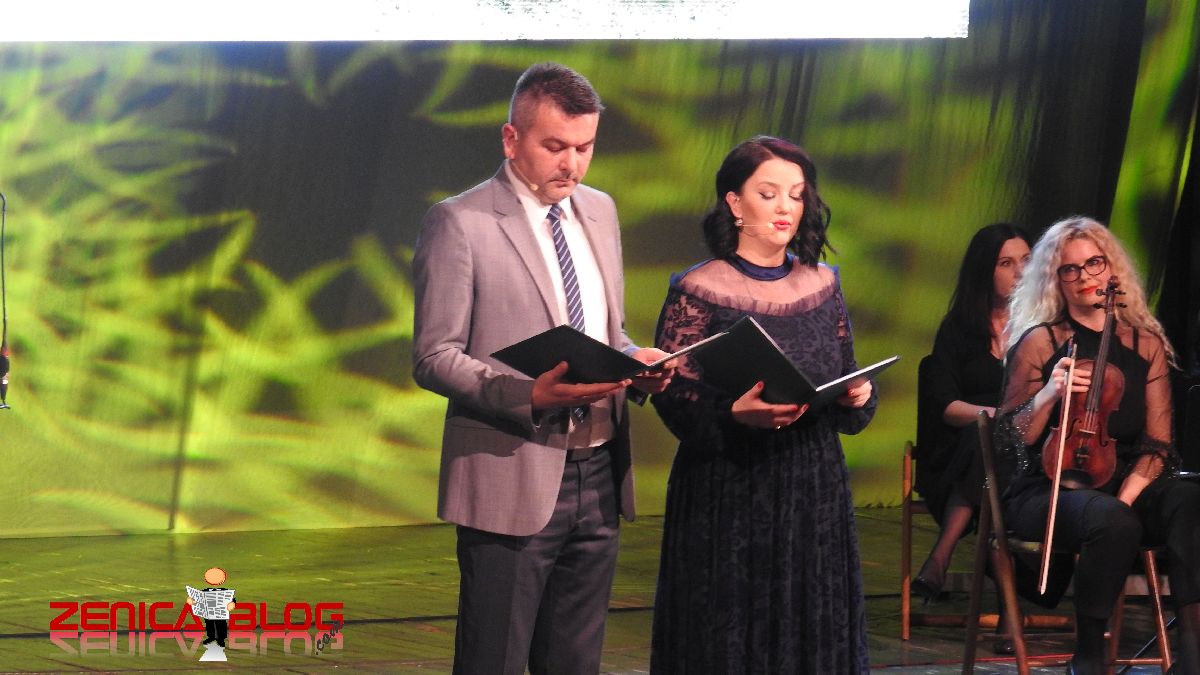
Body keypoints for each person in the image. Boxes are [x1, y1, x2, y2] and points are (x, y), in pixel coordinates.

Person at [411, 63, 672, 675]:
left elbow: (607, 332)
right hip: (511, 469)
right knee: (494, 659)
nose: (572, 165)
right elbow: (433, 355)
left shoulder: (600, 212)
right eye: (555, 146)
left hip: (599, 471)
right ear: (511, 139)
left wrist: (636, 360)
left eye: (585, 147)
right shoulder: (461, 222)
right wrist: (527, 394)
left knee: (575, 662)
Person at [649, 136, 877, 673]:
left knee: (809, 624)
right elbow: (674, 395)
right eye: (768, 193)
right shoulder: (699, 288)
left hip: (812, 486)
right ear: (734, 202)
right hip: (728, 488)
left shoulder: (823, 284)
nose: (785, 208)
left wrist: (857, 394)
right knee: (729, 630)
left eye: (796, 195)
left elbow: (844, 371)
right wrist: (732, 414)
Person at [995, 216, 1200, 675]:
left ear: (1112, 269)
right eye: (1069, 269)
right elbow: (1010, 440)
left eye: (1094, 263)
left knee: (1188, 498)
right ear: (1055, 279)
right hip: (1047, 488)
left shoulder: (1144, 343)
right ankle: (1087, 656)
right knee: (1110, 521)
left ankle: (1192, 653)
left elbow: (1158, 445)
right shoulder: (1042, 341)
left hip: (1124, 482)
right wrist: (1048, 394)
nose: (1084, 276)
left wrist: (1127, 498)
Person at [912, 223, 1032, 604]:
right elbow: (947, 407)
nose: (1021, 272)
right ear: (984, 271)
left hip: (1027, 450)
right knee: (984, 439)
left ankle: (941, 556)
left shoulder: (1041, 328)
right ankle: (1006, 606)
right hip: (959, 452)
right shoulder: (958, 329)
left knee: (993, 445)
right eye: (1006, 263)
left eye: (1027, 260)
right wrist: (999, 416)